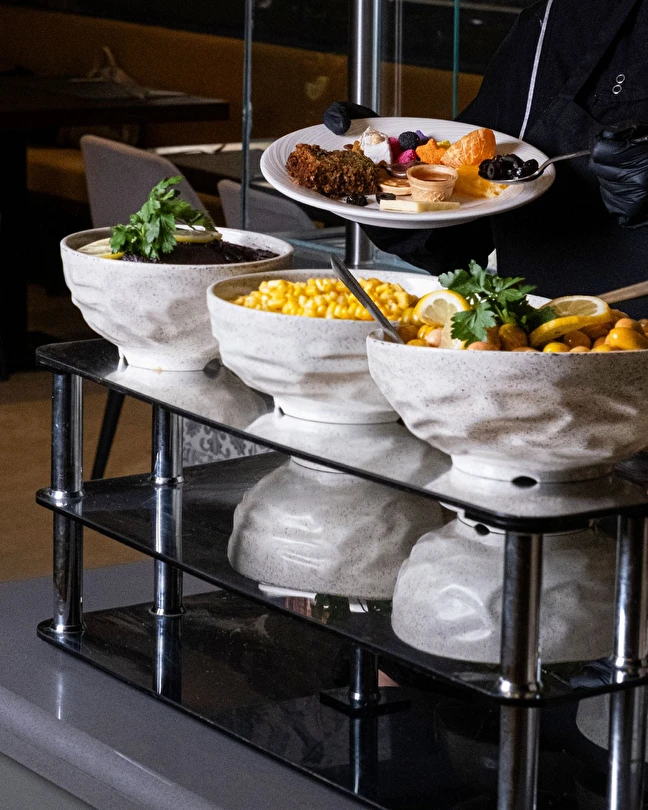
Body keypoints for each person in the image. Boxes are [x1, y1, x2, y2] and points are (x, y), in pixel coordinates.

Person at [327, 0, 648, 309]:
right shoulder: (545, 25)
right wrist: (385, 175)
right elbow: (461, 242)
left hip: (633, 336)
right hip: (526, 332)